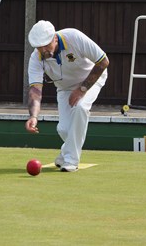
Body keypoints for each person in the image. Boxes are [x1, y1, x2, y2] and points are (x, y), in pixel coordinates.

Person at [25, 20, 109, 172]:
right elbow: (35, 90)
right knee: (64, 130)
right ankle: (65, 153)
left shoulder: (74, 37)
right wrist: (33, 116)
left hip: (91, 79)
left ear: (55, 38)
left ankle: (70, 161)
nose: (43, 50)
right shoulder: (35, 58)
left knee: (81, 108)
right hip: (64, 88)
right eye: (39, 47)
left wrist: (82, 89)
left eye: (46, 45)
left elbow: (103, 62)